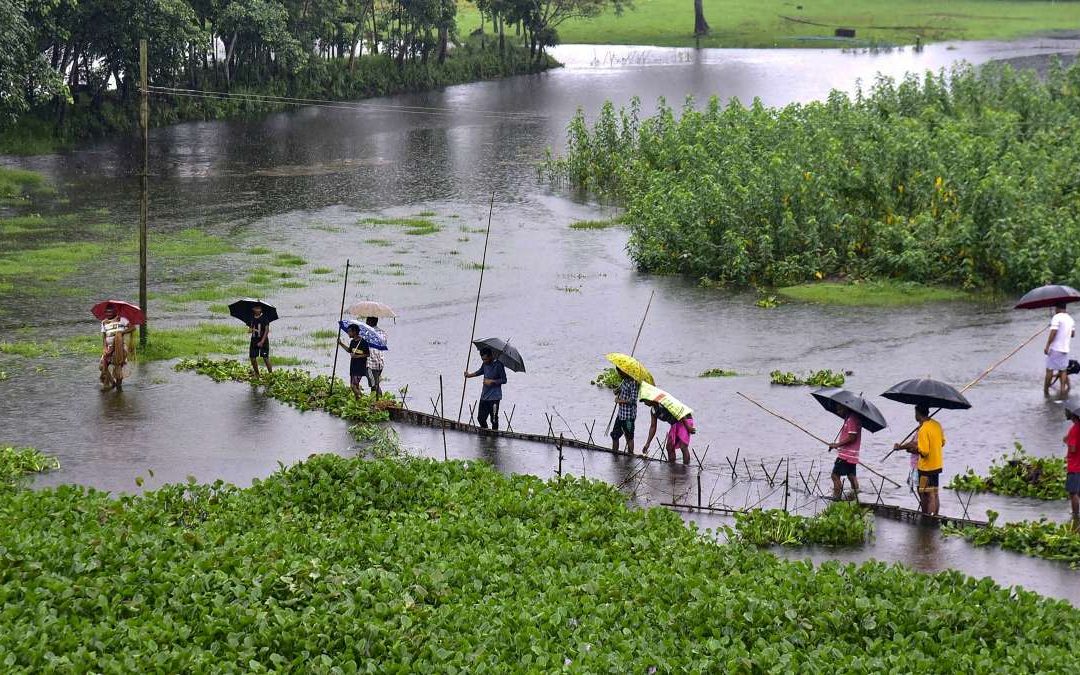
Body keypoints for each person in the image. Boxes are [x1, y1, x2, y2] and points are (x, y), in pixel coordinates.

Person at [893, 405, 944, 516]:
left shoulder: (923, 429)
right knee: (934, 493)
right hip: (937, 465)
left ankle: (927, 518)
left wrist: (914, 449)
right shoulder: (936, 425)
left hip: (925, 468)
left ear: (918, 414)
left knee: (926, 494)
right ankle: (935, 516)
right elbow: (942, 442)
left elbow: (924, 452)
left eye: (915, 413)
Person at [640, 383, 696, 464]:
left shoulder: (663, 403)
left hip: (684, 419)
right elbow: (653, 427)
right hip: (674, 423)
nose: (645, 403)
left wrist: (688, 427)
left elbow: (678, 410)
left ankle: (686, 469)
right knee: (669, 447)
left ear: (650, 398)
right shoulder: (653, 411)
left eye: (645, 400)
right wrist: (647, 443)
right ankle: (672, 467)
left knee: (683, 447)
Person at [464, 347, 506, 430]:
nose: (484, 361)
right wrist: (469, 375)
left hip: (494, 398)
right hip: (484, 396)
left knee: (493, 419)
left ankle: (494, 438)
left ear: (490, 356)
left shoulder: (499, 365)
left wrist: (492, 382)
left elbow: (504, 380)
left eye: (485, 359)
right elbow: (479, 372)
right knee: (480, 418)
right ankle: (486, 434)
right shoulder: (484, 364)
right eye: (482, 359)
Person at [827, 403, 862, 499]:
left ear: (846, 408)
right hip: (852, 455)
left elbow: (852, 437)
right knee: (851, 476)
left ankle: (836, 498)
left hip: (846, 455)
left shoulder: (851, 419)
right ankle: (854, 497)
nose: (838, 412)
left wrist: (837, 445)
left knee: (835, 475)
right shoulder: (852, 418)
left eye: (840, 409)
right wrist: (835, 445)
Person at [99, 304, 134, 391]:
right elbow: (104, 337)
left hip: (120, 347)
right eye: (107, 311)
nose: (109, 313)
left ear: (115, 311)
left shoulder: (122, 319)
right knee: (102, 366)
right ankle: (112, 383)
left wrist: (122, 333)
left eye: (110, 311)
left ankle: (119, 388)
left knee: (118, 366)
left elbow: (132, 327)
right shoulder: (104, 322)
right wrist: (104, 348)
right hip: (109, 347)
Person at [1044, 302, 1075, 396]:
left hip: (1055, 348)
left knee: (1049, 369)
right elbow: (1073, 335)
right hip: (1065, 349)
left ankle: (1045, 391)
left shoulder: (1056, 317)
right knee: (1063, 370)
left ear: (1057, 308)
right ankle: (1062, 390)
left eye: (1055, 308)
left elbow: (1053, 332)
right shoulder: (1070, 319)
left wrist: (1047, 345)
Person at [610, 369, 638, 454]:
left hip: (629, 416)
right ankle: (615, 455)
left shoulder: (633, 383)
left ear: (624, 372)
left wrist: (620, 401)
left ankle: (630, 456)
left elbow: (633, 400)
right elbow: (619, 390)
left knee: (629, 437)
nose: (619, 374)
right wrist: (616, 391)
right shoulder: (624, 380)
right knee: (615, 435)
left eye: (620, 372)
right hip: (621, 414)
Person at [337, 324, 368, 399]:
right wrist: (340, 343)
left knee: (353, 386)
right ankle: (358, 400)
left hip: (360, 368)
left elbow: (367, 354)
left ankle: (363, 399)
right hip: (353, 367)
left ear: (354, 332)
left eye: (349, 332)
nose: (348, 333)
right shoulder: (352, 342)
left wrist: (357, 356)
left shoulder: (363, 342)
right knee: (356, 386)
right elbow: (349, 350)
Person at [248, 304, 273, 378]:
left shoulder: (264, 318)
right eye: (256, 308)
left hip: (263, 340)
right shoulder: (251, 318)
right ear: (253, 309)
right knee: (252, 358)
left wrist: (262, 341)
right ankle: (257, 374)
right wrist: (250, 329)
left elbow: (267, 330)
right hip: (254, 340)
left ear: (261, 309)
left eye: (259, 308)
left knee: (265, 357)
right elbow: (250, 328)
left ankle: (271, 374)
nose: (258, 310)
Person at [364, 316, 386, 398]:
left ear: (369, 322)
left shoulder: (367, 333)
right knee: (376, 383)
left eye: (367, 320)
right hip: (380, 363)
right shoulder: (383, 333)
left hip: (371, 364)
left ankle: (378, 402)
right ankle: (378, 402)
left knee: (374, 386)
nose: (366, 322)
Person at [1065, 404, 1080, 517]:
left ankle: (1075, 515)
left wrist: (1069, 444)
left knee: (1073, 492)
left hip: (1075, 466)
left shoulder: (1074, 429)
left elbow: (1073, 449)